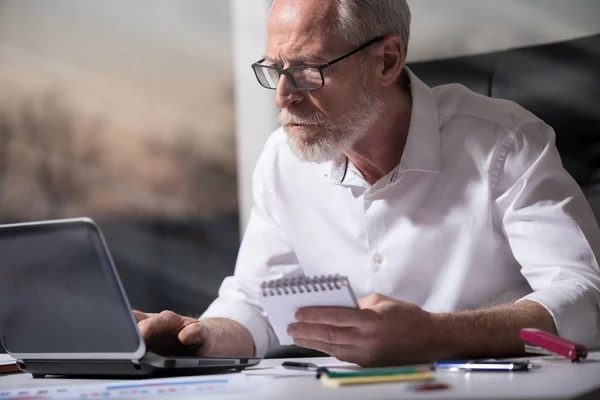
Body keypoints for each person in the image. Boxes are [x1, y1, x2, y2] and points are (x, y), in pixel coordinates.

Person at [134, 0, 600, 367]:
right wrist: (195, 340)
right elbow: (255, 303)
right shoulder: (283, 160)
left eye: (307, 69)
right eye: (275, 69)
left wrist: (436, 335)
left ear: (387, 60)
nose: (283, 95)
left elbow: (584, 295)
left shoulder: (504, 141)